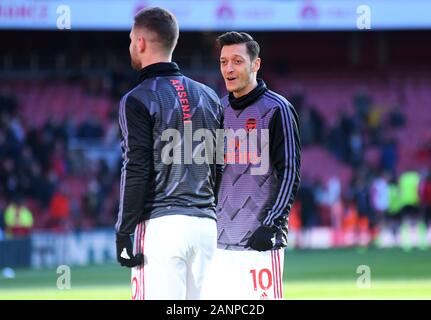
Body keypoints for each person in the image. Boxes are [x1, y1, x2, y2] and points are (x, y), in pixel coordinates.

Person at [114, 7, 224, 300]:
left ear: (140, 42)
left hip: (163, 226)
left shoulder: (137, 99)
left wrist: (124, 232)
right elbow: (220, 166)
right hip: (207, 229)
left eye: (130, 40)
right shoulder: (209, 95)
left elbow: (136, 167)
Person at [202, 32, 300, 300]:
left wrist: (271, 225)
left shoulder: (278, 109)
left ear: (256, 64)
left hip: (260, 244)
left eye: (237, 61)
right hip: (219, 245)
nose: (229, 68)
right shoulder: (215, 111)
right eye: (223, 62)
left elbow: (290, 172)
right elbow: (211, 176)